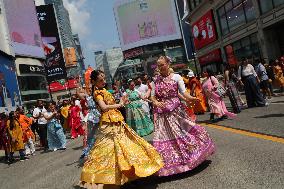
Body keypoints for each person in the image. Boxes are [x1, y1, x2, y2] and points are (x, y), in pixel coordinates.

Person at [79, 70, 164, 188]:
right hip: (109, 123)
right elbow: (103, 107)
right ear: (93, 82)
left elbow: (111, 100)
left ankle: (130, 175)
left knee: (126, 146)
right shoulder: (97, 93)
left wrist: (121, 101)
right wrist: (119, 104)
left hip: (116, 119)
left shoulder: (103, 90)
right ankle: (115, 178)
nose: (104, 82)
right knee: (111, 150)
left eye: (104, 79)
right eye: (100, 80)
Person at [150, 56, 215, 177]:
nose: (160, 67)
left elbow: (183, 92)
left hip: (176, 111)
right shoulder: (155, 81)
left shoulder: (176, 77)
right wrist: (156, 102)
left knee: (182, 134)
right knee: (164, 138)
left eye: (162, 64)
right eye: (158, 65)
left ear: (168, 63)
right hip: (162, 114)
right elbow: (152, 97)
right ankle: (172, 165)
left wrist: (191, 98)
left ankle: (190, 159)